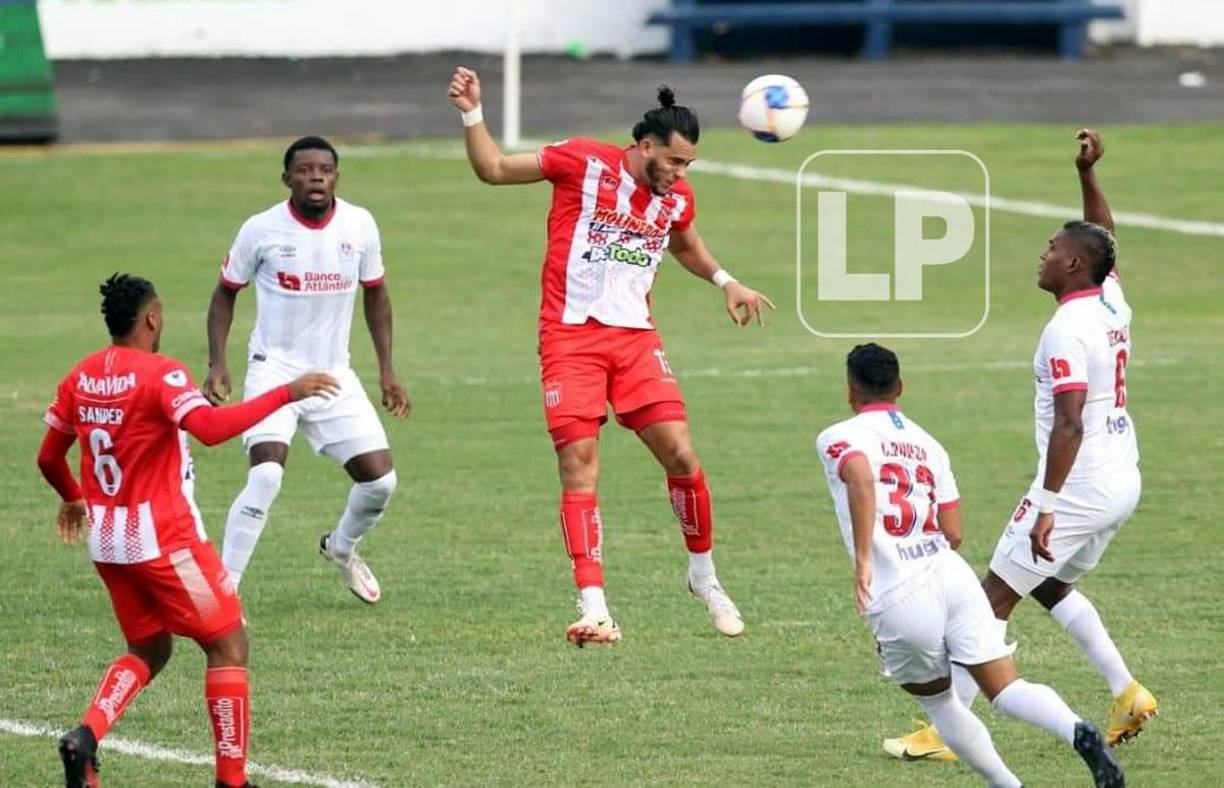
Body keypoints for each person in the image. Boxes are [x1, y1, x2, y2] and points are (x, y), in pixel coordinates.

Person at [448, 66, 775, 646]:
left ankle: (704, 576)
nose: (680, 174)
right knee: (578, 463)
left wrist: (726, 281)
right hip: (569, 338)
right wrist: (473, 111)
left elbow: (685, 243)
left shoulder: (676, 198)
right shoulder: (581, 162)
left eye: (689, 165)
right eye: (674, 161)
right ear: (644, 146)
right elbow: (492, 169)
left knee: (680, 453)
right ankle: (594, 606)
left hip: (635, 340)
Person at [884, 130, 1157, 763]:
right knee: (1049, 585)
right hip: (1122, 477)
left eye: (1053, 248)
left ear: (1074, 266)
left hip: (1078, 485)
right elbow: (1105, 239)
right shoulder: (1110, 299)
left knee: (989, 602)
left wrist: (1047, 505)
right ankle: (1126, 691)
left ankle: (946, 732)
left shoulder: (1067, 329)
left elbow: (1069, 423)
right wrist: (1087, 175)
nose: (1043, 254)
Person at [38, 273, 338, 788]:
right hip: (165, 541)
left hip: (108, 542)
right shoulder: (161, 373)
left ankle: (85, 737)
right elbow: (210, 430)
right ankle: (232, 781)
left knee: (149, 649)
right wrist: (287, 393)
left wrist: (73, 496)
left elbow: (48, 457)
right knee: (229, 646)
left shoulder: (80, 375)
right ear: (152, 319)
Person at [817, 343, 1124, 788]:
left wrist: (865, 559)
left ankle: (1009, 786)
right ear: (900, 386)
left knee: (941, 704)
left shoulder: (836, 436)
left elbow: (860, 476)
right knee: (1006, 687)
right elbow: (954, 531)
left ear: (850, 391)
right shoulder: (930, 445)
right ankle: (1077, 729)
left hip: (898, 589)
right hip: (951, 575)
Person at [205, 136, 410, 604]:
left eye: (324, 170)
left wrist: (387, 370)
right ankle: (224, 593)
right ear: (286, 179)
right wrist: (218, 362)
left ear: (336, 177)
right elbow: (225, 293)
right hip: (273, 371)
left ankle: (342, 547)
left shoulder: (360, 225)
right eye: (304, 170)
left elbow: (376, 294)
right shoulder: (260, 229)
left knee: (380, 482)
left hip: (333, 375)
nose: (315, 176)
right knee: (266, 476)